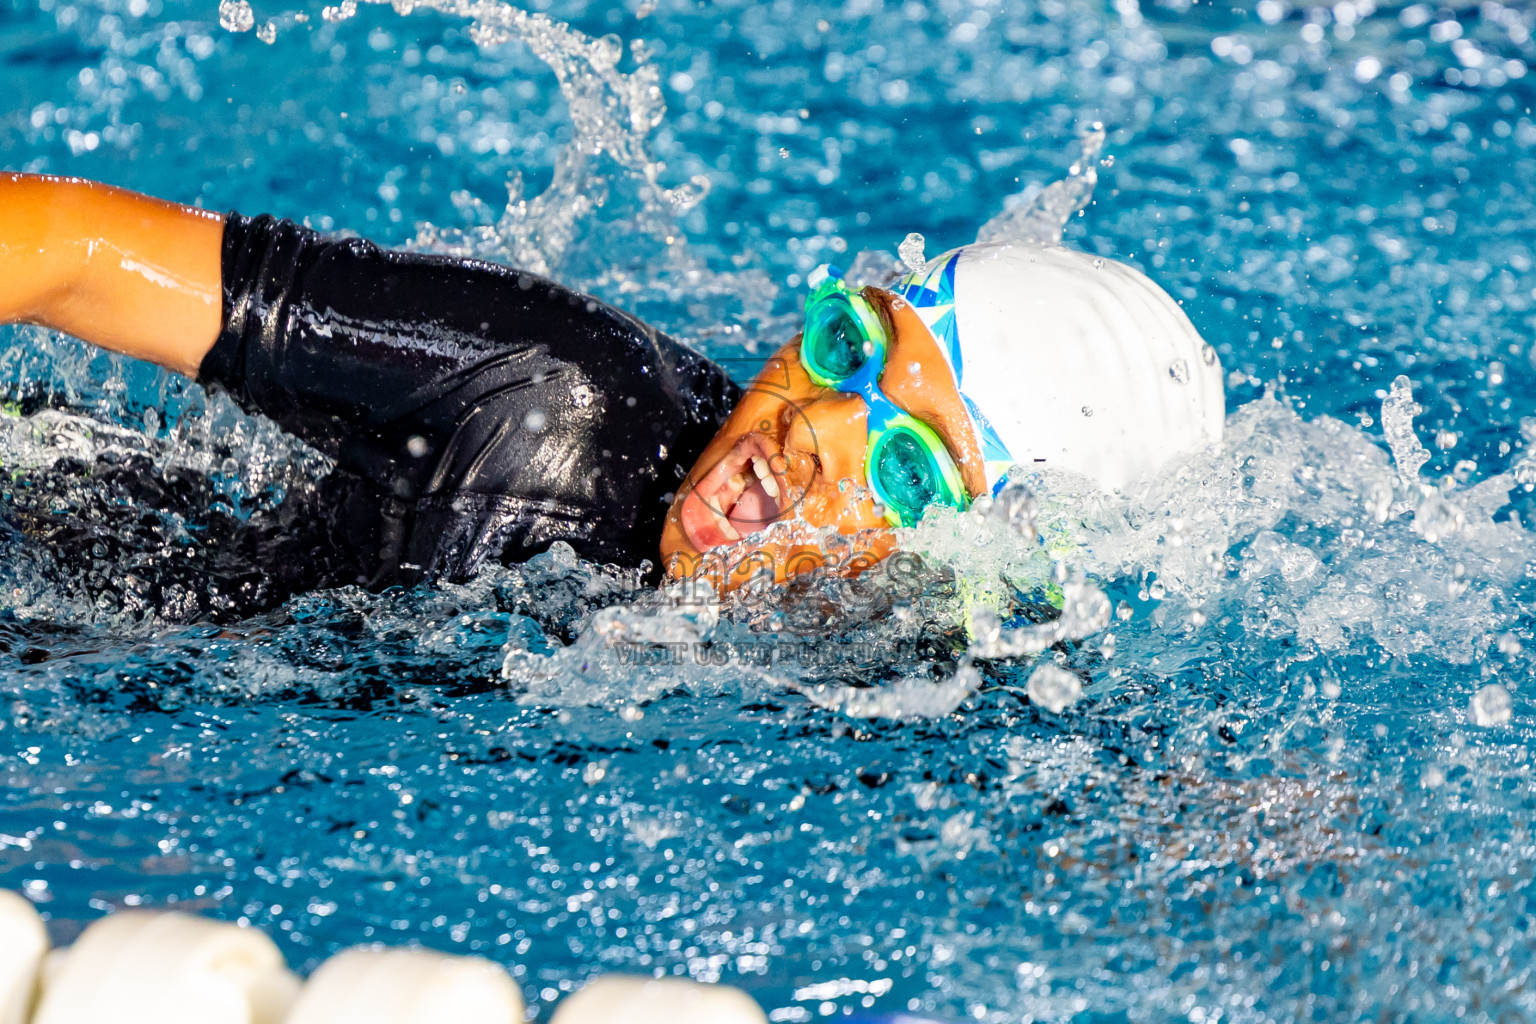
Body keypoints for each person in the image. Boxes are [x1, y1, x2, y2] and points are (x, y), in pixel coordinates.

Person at [0, 172, 1224, 599]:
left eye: (909, 468)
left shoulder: (917, 682)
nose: (805, 434)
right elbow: (55, 248)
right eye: (850, 348)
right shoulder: (550, 396)